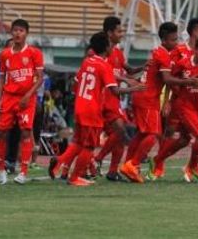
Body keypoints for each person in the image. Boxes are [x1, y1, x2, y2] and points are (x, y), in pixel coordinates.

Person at [48, 31, 144, 186]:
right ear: (107, 47)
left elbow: (77, 81)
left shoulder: (87, 62)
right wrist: (135, 88)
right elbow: (114, 90)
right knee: (89, 146)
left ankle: (59, 162)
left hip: (80, 106)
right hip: (91, 110)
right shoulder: (104, 65)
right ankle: (74, 178)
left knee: (78, 142)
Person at [120, 22, 198, 183]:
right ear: (164, 40)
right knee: (153, 134)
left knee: (142, 134)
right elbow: (167, 79)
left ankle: (128, 166)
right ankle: (133, 164)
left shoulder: (161, 53)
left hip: (142, 96)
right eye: (172, 40)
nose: (176, 42)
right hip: (147, 98)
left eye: (176, 39)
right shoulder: (163, 54)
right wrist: (189, 82)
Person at [148, 35, 198, 182]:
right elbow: (169, 81)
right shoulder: (183, 64)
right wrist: (168, 100)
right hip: (184, 105)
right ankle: (192, 166)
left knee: (185, 140)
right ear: (195, 50)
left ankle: (157, 159)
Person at [0, 19, 44, 185]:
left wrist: (28, 95)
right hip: (9, 97)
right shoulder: (5, 54)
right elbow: (1, 78)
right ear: (11, 33)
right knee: (1, 132)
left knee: (25, 132)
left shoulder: (34, 53)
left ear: (26, 33)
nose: (17, 33)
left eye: (21, 30)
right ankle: (1, 169)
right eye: (15, 30)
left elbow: (40, 78)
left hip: (27, 98)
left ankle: (23, 172)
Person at [94, 16, 142, 182]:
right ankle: (97, 159)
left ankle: (112, 171)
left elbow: (128, 70)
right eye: (119, 31)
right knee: (120, 131)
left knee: (119, 136)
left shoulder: (118, 53)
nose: (122, 34)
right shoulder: (99, 52)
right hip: (104, 97)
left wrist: (145, 67)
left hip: (115, 98)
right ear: (109, 33)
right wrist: (126, 81)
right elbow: (103, 73)